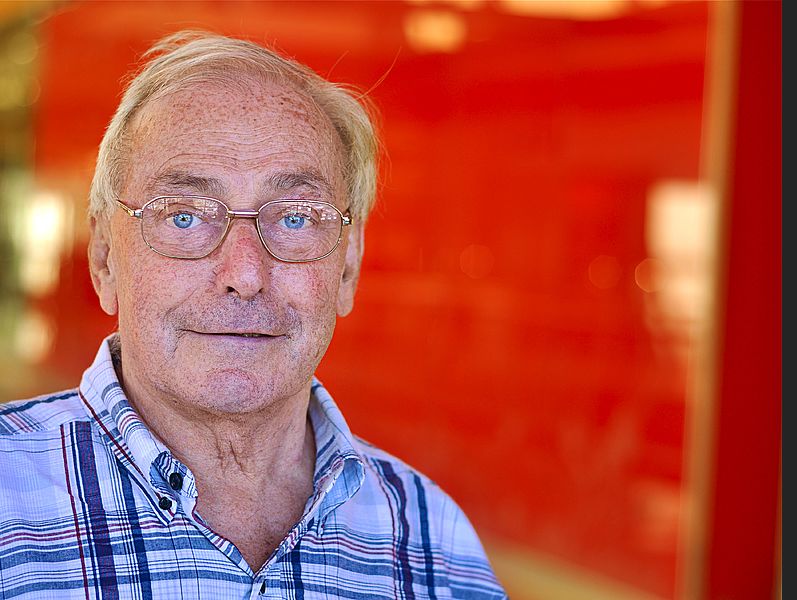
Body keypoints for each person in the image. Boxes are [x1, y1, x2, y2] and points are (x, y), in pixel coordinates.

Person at [0, 31, 506, 599]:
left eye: (296, 218)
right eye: (185, 216)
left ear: (347, 268)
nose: (244, 272)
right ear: (104, 259)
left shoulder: (433, 544)